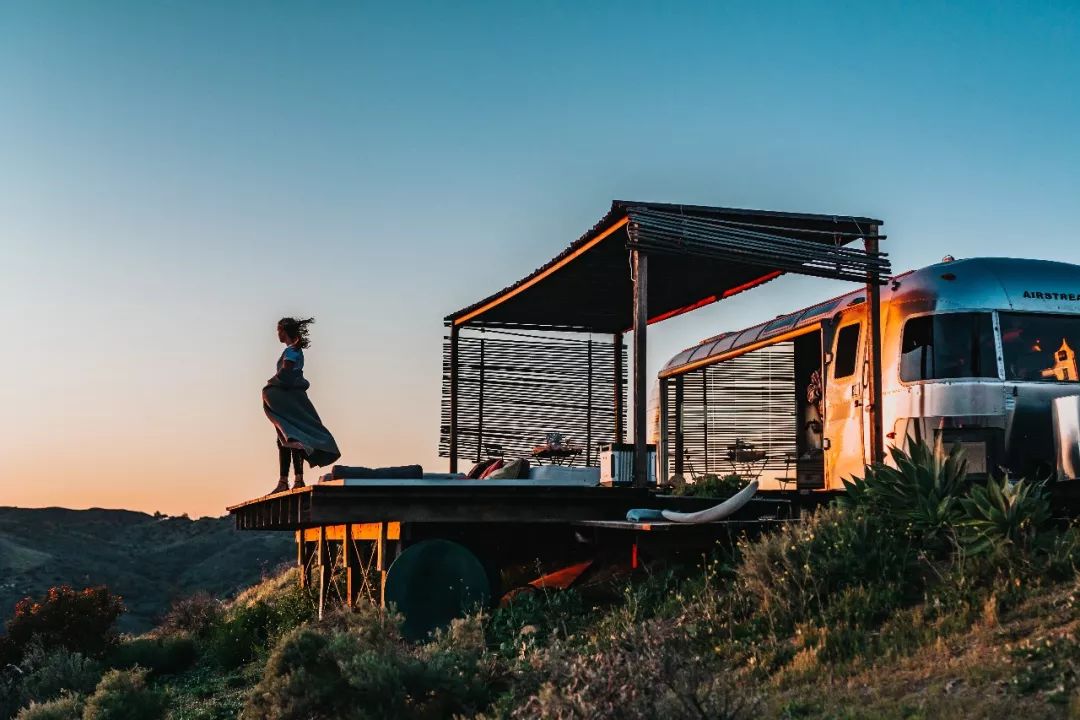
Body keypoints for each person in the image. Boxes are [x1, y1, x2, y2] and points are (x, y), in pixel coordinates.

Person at [263, 317, 341, 494]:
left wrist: (273, 383)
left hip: (290, 398)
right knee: (287, 436)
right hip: (290, 397)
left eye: (279, 330)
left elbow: (287, 371)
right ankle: (289, 480)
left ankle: (293, 480)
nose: (278, 334)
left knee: (293, 436)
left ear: (284, 330)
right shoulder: (293, 350)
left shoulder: (292, 351)